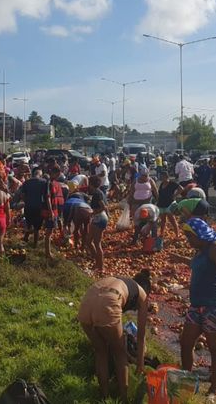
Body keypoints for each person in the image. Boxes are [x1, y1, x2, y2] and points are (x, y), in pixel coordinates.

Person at [179, 218, 216, 397]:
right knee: (186, 342)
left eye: (189, 236)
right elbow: (197, 265)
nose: (188, 240)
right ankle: (186, 378)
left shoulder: (215, 247)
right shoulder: (200, 249)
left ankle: (214, 388)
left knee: (214, 348)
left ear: (199, 235)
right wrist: (179, 259)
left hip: (215, 306)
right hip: (196, 306)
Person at [78, 270, 152, 402]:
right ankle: (124, 399)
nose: (134, 310)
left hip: (86, 303)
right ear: (146, 289)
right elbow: (141, 336)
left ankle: (104, 396)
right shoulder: (143, 294)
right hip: (108, 303)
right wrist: (140, 365)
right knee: (120, 354)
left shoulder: (120, 281)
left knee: (101, 352)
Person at [18, 169, 47, 247]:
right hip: (39, 207)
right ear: (40, 175)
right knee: (37, 228)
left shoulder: (27, 182)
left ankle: (25, 239)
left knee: (29, 224)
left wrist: (27, 201)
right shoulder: (44, 182)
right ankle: (35, 245)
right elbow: (47, 196)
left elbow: (22, 195)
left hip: (28, 206)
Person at [42, 166, 65, 259]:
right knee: (49, 232)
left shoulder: (54, 183)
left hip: (54, 211)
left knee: (50, 231)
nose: (58, 176)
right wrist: (51, 211)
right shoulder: (48, 183)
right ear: (53, 173)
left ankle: (48, 251)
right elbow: (47, 197)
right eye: (57, 174)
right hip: (50, 211)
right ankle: (48, 253)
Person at [88, 175, 108, 271]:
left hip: (99, 218)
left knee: (97, 243)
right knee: (88, 241)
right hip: (98, 218)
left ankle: (100, 267)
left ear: (91, 184)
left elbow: (103, 207)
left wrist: (93, 213)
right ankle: (97, 262)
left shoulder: (97, 193)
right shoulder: (99, 192)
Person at [157, 172, 181, 237]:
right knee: (163, 220)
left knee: (172, 219)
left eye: (162, 177)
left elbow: (181, 188)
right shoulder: (162, 184)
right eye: (160, 177)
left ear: (166, 177)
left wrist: (175, 195)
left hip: (170, 203)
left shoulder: (172, 183)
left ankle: (177, 234)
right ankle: (162, 233)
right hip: (162, 204)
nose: (161, 178)